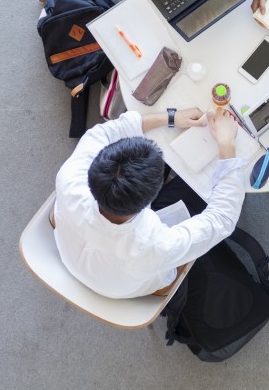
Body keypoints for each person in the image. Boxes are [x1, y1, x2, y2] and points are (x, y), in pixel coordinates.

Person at [53, 107, 247, 299]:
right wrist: (226, 145)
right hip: (131, 284)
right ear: (149, 201)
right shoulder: (156, 246)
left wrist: (171, 117)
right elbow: (222, 218)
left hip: (74, 252)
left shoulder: (70, 179)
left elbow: (102, 132)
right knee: (198, 192)